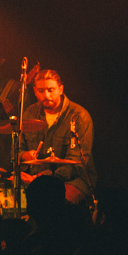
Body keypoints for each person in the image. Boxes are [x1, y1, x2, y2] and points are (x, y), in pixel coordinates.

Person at [18, 69, 96, 205]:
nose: (46, 95)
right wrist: (25, 155)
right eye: (41, 91)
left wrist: (39, 178)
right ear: (35, 91)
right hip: (35, 179)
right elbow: (17, 150)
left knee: (56, 202)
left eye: (50, 90)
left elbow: (75, 162)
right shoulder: (29, 113)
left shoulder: (79, 116)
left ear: (61, 89)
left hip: (73, 179)